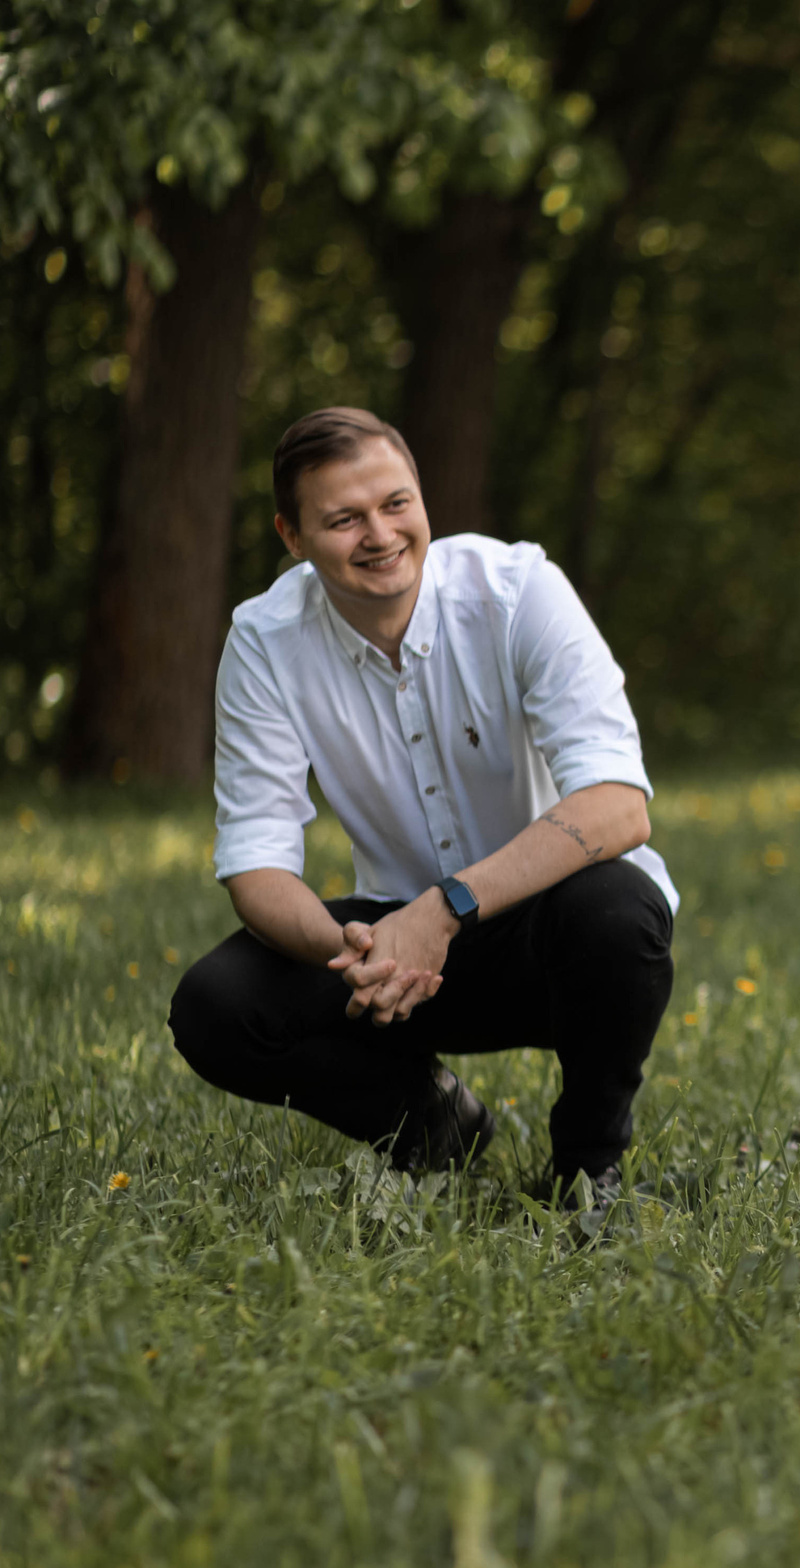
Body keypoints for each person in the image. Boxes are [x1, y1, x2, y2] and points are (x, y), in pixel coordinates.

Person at [168, 406, 676, 1201]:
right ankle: (432, 1122)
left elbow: (619, 807)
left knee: (620, 906)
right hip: (396, 953)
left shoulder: (517, 591)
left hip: (560, 940)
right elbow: (256, 863)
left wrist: (444, 910)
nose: (380, 533)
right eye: (343, 518)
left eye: (396, 503)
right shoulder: (265, 641)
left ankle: (587, 1170)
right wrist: (357, 947)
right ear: (292, 537)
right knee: (215, 1004)